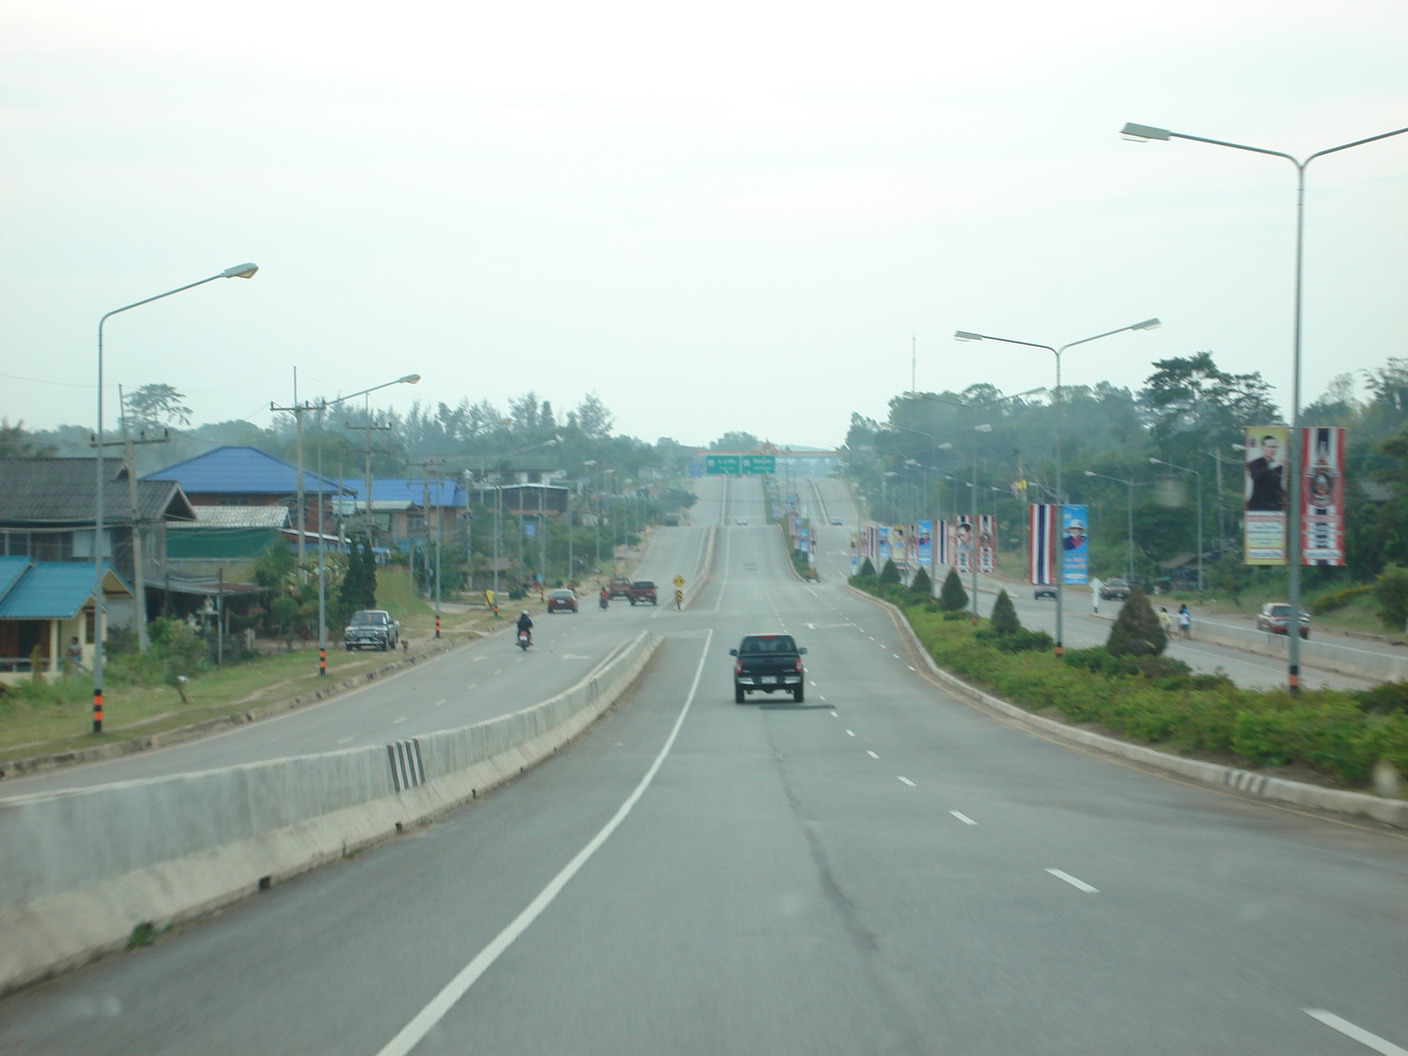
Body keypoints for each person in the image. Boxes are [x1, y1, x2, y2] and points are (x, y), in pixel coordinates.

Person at [1246, 434, 1285, 512]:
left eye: (1275, 447)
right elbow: (1256, 477)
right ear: (1262, 447)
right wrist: (1272, 466)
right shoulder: (1255, 463)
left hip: (1276, 508)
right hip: (1258, 507)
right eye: (1270, 447)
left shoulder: (1280, 465)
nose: (1273, 450)